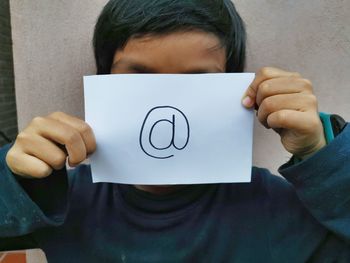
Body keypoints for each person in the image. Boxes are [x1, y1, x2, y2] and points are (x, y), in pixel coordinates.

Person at [0, 0, 349, 262]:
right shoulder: (59, 200)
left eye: (199, 82)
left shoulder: (273, 206)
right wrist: (15, 180)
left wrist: (324, 154)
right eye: (139, 77)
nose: (165, 104)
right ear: (103, 81)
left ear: (237, 91)